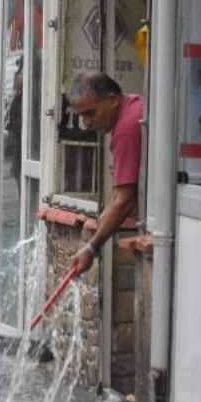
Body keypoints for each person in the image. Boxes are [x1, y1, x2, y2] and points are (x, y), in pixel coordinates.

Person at [68, 72, 143, 274]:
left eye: (90, 113)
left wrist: (91, 247)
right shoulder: (132, 105)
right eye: (81, 116)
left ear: (112, 100)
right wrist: (104, 220)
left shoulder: (127, 128)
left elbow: (124, 199)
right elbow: (121, 196)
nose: (86, 123)